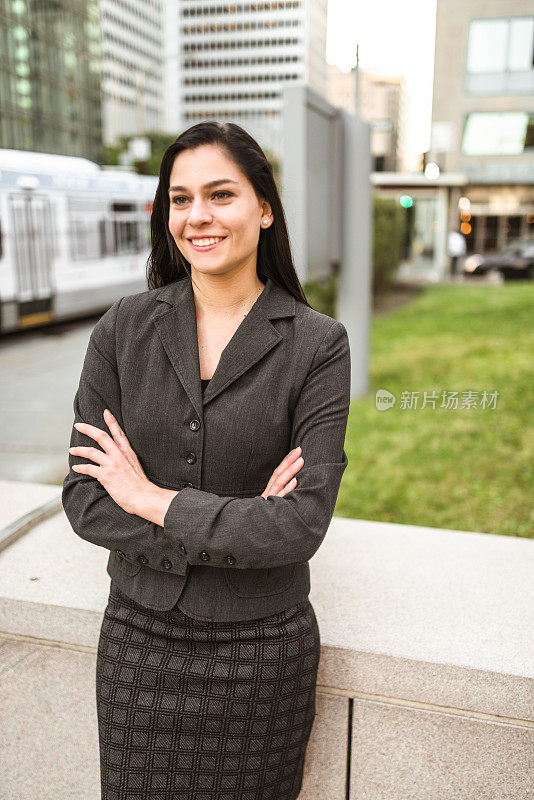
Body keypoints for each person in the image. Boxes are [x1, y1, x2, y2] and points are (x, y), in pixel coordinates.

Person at [62, 121, 351, 800]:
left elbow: (300, 525)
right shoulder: (123, 328)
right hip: (138, 643)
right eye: (180, 199)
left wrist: (150, 498)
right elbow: (84, 495)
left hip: (263, 655)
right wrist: (242, 521)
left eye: (221, 194)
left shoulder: (317, 346)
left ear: (264, 207)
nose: (198, 217)